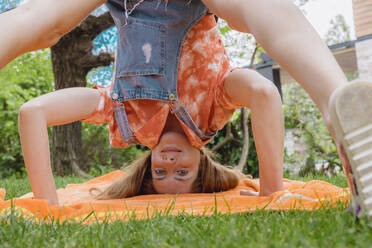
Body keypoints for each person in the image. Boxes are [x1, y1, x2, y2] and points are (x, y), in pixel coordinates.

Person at [2, 0, 371, 217]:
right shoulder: (214, 111)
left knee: (41, 20)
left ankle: (339, 104)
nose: (172, 163)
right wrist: (270, 191)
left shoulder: (125, 119)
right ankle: (339, 102)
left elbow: (32, 112)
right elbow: (263, 92)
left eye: (162, 172)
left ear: (147, 165)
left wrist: (48, 205)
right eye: (183, 174)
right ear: (203, 167)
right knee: (254, 10)